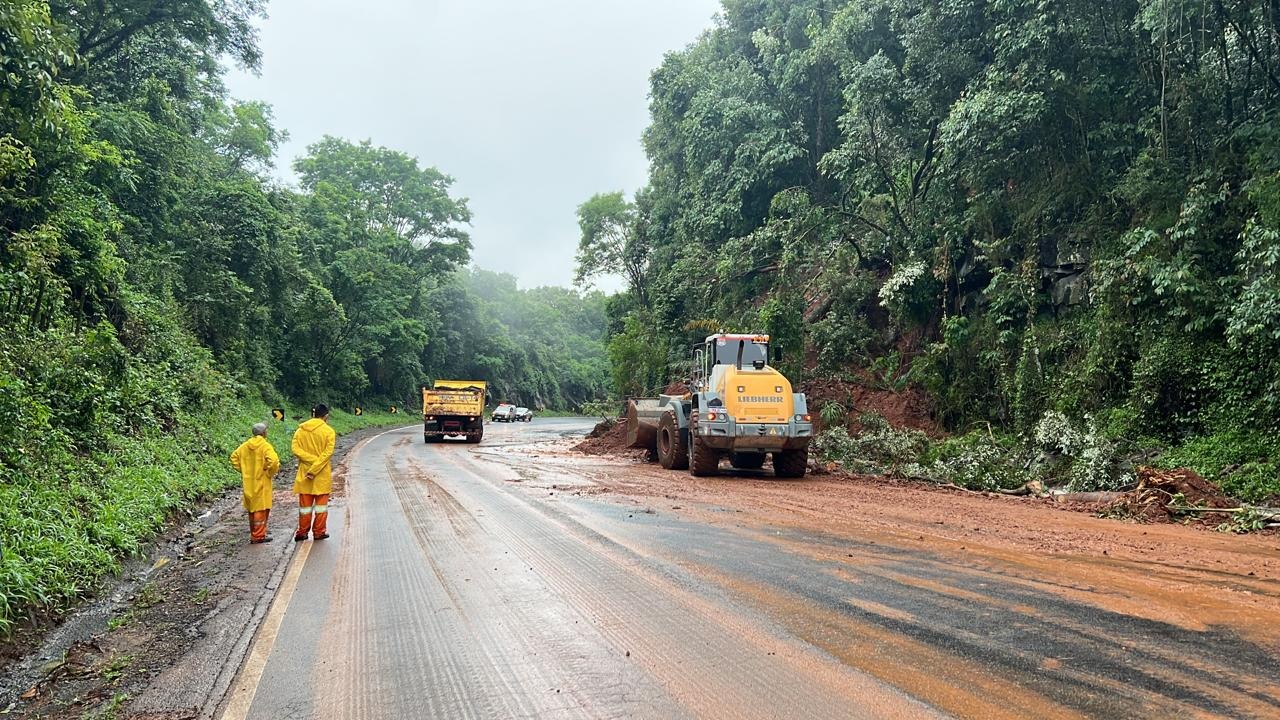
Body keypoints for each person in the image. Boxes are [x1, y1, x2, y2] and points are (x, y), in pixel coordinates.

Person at [292, 404, 337, 541]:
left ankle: (302, 532)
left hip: (304, 474)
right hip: (321, 475)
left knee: (304, 507)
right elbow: (327, 454)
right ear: (326, 416)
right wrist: (316, 465)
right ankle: (319, 532)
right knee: (321, 507)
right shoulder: (329, 432)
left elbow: (295, 449)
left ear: (313, 414)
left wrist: (310, 463)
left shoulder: (300, 430)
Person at [230, 422, 280, 544]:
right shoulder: (265, 446)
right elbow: (274, 461)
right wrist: (268, 472)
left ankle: (255, 532)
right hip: (262, 481)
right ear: (263, 433)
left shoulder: (244, 446)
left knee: (252, 508)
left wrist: (244, 470)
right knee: (261, 509)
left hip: (249, 481)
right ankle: (258, 536)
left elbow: (234, 458)